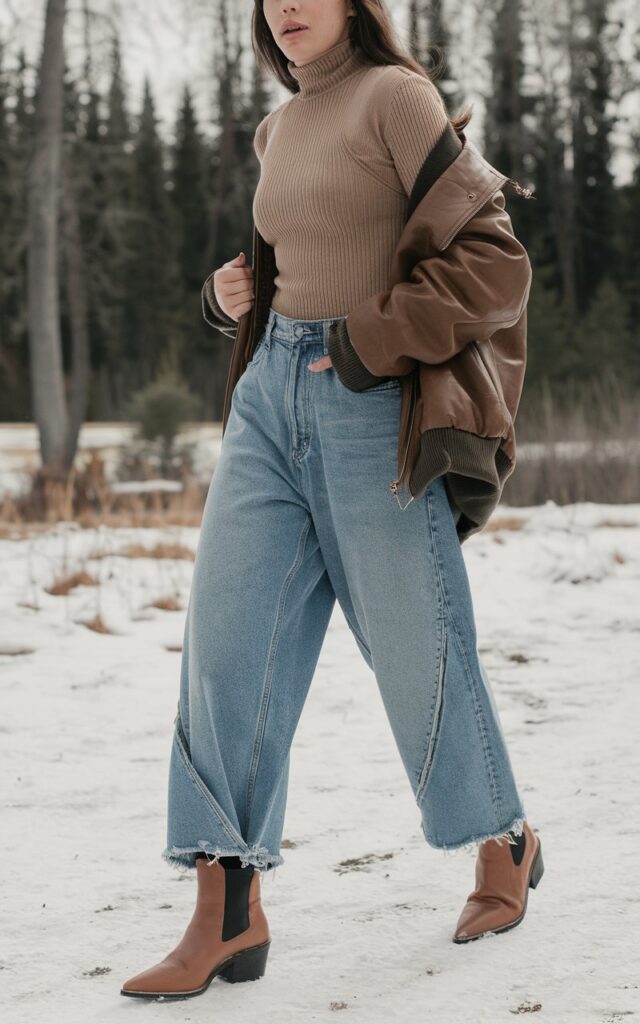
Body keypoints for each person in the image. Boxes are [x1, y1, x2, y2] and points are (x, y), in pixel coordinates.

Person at [120, 0, 544, 1002]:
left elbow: (494, 263)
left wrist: (367, 343)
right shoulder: (281, 124)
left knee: (414, 643)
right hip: (268, 399)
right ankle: (226, 905)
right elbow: (290, 263)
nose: (287, 5)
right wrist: (231, 298)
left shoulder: (396, 99)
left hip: (367, 402)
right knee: (225, 642)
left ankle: (504, 839)